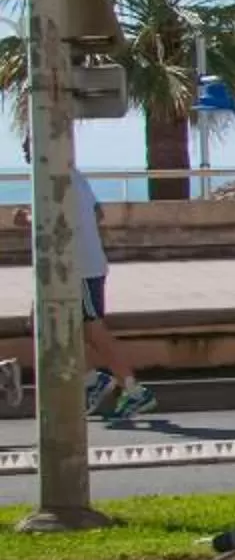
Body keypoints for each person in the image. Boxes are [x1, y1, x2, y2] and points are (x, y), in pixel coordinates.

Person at [15, 156, 151, 422]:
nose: (27, 154)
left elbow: (56, 221)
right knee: (45, 322)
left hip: (80, 268)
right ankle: (92, 379)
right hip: (75, 266)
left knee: (93, 330)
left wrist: (27, 218)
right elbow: (97, 214)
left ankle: (133, 390)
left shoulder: (54, 176)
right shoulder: (74, 175)